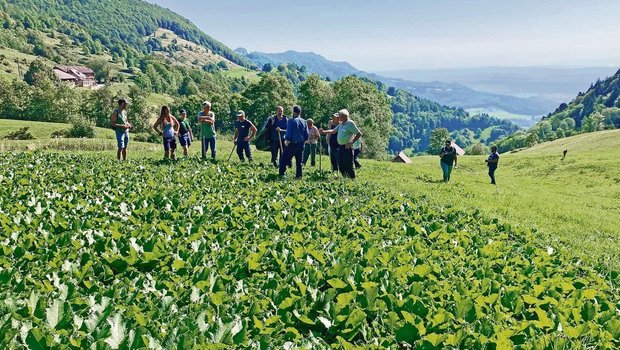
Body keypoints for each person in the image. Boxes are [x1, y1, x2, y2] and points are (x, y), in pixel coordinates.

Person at [320, 109, 363, 179]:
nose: (338, 117)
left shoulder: (350, 123)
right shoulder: (341, 124)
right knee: (341, 164)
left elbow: (359, 134)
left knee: (349, 164)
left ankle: (352, 179)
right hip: (340, 147)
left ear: (344, 116)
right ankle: (345, 178)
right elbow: (333, 131)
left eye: (339, 116)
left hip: (347, 147)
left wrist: (351, 142)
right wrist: (323, 132)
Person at [279, 106, 308, 178]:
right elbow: (306, 135)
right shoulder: (304, 121)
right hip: (301, 144)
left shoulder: (291, 121)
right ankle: (299, 175)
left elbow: (289, 133)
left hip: (292, 144)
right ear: (300, 112)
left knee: (283, 159)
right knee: (299, 161)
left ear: (294, 112)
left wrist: (286, 141)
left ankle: (282, 174)